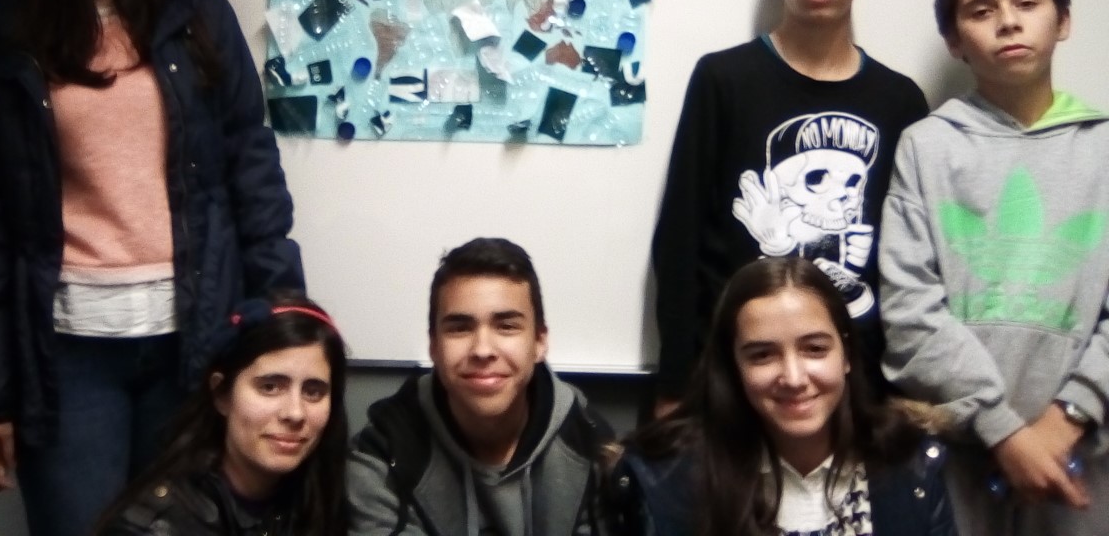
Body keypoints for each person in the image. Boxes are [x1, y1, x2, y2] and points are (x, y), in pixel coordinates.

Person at [0, 0, 304, 536]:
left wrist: (283, 314)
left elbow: (252, 173)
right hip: (67, 351)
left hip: (191, 340)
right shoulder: (6, 36)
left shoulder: (199, 19)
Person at [652, 0, 928, 415]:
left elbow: (913, 257)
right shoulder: (724, 80)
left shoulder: (900, 101)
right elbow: (680, 238)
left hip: (858, 383)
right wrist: (674, 385)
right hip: (735, 376)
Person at [879, 0, 1109, 536]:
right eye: (981, 10)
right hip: (956, 462)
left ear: (1063, 20)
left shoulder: (1104, 147)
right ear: (954, 41)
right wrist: (1003, 429)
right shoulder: (926, 147)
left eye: (1026, 2)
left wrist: (1069, 415)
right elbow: (909, 313)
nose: (1008, 21)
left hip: (1084, 459)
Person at [613, 256, 957, 536]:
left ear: (846, 355)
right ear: (732, 366)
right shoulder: (664, 479)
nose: (793, 378)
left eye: (814, 349)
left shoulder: (909, 464)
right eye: (762, 355)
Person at [348, 237, 611, 536]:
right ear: (433, 346)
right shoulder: (383, 454)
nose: (483, 350)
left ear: (539, 341)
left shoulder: (591, 446)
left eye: (506, 326)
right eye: (460, 328)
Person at [96, 294, 348, 536]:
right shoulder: (159, 525)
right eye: (270, 387)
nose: (295, 413)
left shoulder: (319, 493)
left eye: (313, 392)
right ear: (221, 395)